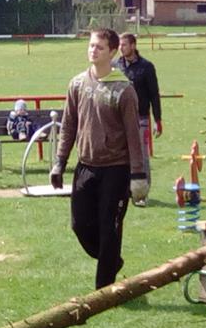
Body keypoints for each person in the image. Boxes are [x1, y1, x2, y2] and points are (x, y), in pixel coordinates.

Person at [51, 29, 148, 289]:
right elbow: (68, 125)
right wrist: (60, 161)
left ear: (112, 52)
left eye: (100, 47)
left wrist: (138, 176)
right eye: (91, 46)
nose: (93, 50)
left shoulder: (124, 90)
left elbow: (133, 136)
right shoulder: (77, 84)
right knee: (79, 225)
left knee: (109, 229)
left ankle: (102, 293)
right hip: (85, 167)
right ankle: (112, 261)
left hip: (116, 169)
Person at [113, 32, 162, 206]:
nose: (121, 48)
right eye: (119, 45)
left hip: (140, 118)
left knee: (141, 156)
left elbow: (154, 94)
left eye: (124, 45)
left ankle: (142, 193)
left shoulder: (146, 67)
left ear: (133, 46)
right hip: (119, 119)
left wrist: (157, 120)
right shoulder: (115, 66)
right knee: (121, 156)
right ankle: (125, 191)